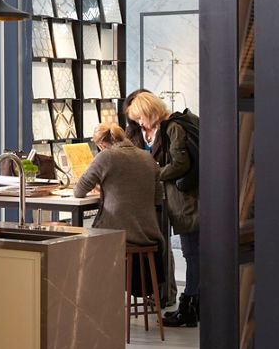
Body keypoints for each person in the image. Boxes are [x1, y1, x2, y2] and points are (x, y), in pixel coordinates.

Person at [124, 89, 201, 327]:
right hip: (190, 199)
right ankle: (192, 305)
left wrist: (154, 173)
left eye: (140, 118)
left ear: (149, 112)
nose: (139, 123)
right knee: (195, 254)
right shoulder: (179, 123)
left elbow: (180, 163)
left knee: (193, 254)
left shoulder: (173, 127)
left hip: (188, 202)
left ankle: (188, 308)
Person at [73, 123, 165, 252]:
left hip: (117, 233)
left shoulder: (106, 156)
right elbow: (157, 198)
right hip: (149, 234)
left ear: (102, 145)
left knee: (84, 245)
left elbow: (79, 191)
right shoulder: (147, 157)